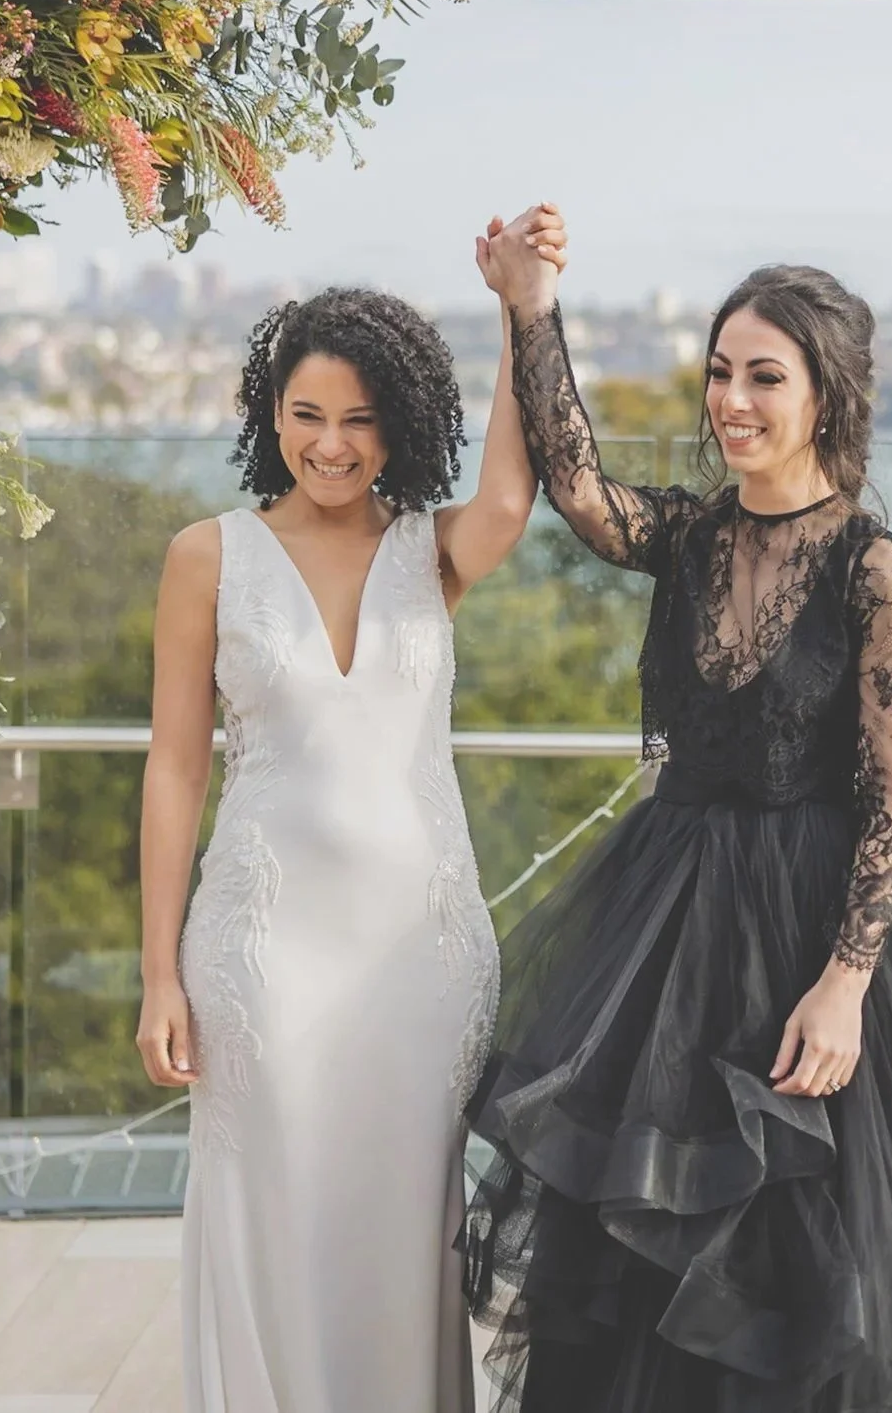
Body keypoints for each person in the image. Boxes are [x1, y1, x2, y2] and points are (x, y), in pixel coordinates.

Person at [465, 253, 892, 1411]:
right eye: (718, 372)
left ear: (825, 397)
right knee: (644, 1262)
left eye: (764, 375)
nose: (732, 400)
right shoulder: (689, 536)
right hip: (669, 932)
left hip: (813, 941)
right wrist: (531, 307)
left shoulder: (874, 571)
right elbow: (582, 485)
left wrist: (846, 982)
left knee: (821, 1280)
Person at [136, 208, 568, 1413]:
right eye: (307, 414)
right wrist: (158, 972)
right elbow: (174, 769)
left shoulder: (434, 551)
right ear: (269, 416)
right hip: (259, 953)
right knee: (269, 1215)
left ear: (400, 423)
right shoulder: (205, 556)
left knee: (399, 1236)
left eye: (360, 417)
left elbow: (513, 487)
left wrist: (517, 306)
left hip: (418, 962)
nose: (331, 444)